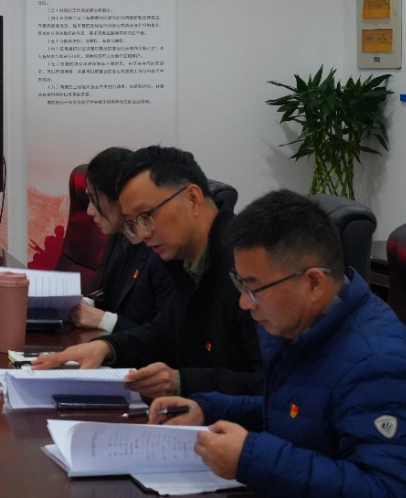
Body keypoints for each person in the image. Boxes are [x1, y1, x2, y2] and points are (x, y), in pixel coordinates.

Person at [150, 190, 406, 498]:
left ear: (313, 283)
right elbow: (300, 413)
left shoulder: (381, 364)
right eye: (240, 284)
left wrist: (251, 458)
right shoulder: (303, 326)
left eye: (253, 288)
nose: (244, 303)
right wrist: (209, 408)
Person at [33, 145, 261, 400]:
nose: (142, 234)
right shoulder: (185, 262)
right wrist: (105, 347)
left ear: (193, 199)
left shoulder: (249, 267)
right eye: (133, 223)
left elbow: (271, 387)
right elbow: (163, 334)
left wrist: (182, 382)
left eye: (147, 216)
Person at [70, 146, 170, 331]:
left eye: (94, 200)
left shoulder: (162, 250)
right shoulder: (120, 239)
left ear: (120, 199)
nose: (90, 211)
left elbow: (164, 336)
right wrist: (82, 304)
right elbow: (111, 299)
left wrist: (104, 320)